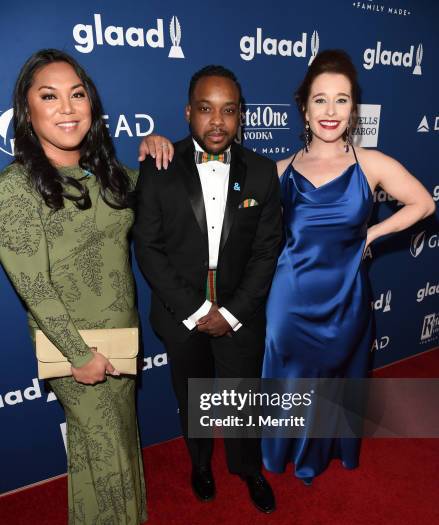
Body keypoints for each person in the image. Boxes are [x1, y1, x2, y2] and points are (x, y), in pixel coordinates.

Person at [139, 50, 435, 485]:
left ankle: (276, 460)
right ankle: (226, 460)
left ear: (354, 108)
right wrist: (153, 140)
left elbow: (424, 203)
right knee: (265, 382)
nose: (330, 111)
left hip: (343, 296)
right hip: (286, 299)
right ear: (304, 107)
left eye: (341, 100)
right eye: (320, 100)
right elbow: (240, 244)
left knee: (331, 375)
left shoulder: (369, 163)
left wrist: (370, 236)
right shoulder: (276, 170)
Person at [0, 49, 146, 525]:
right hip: (74, 345)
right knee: (100, 444)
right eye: (49, 96)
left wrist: (157, 149)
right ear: (27, 112)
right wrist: (80, 355)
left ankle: (129, 520)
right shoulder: (15, 187)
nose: (67, 108)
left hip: (123, 333)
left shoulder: (106, 175)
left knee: (117, 433)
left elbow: (159, 191)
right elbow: (33, 286)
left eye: (77, 94)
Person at [133, 65, 283, 513]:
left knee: (242, 398)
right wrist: (198, 312)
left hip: (242, 312)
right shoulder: (159, 167)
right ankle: (200, 465)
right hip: (182, 315)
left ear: (240, 116)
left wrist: (231, 313)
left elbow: (266, 251)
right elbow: (149, 248)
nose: (217, 121)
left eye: (228, 110)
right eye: (205, 109)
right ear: (188, 112)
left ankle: (248, 468)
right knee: (192, 395)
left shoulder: (261, 172)